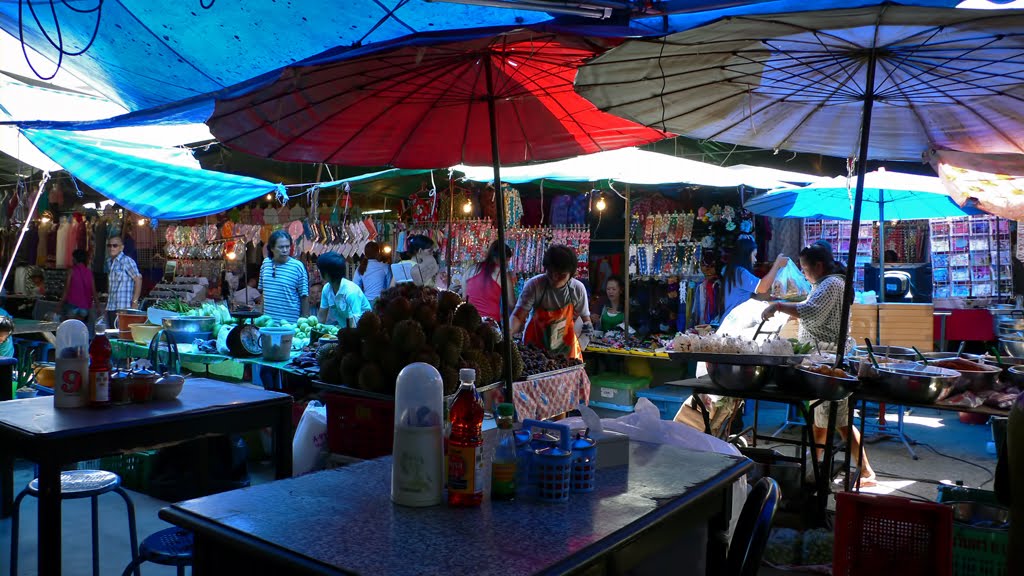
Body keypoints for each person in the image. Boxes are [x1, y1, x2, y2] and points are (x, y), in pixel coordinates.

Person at [761, 244, 876, 487]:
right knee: (828, 418)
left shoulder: (831, 284)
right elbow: (814, 310)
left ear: (819, 266)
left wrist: (779, 306)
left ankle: (830, 469)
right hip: (823, 358)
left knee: (833, 418)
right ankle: (818, 466)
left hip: (829, 359)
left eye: (804, 269)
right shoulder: (825, 284)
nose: (803, 274)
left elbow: (812, 310)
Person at [510, 244, 593, 361]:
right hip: (534, 352)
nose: (554, 278)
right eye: (551, 273)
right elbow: (518, 317)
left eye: (561, 275)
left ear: (572, 274)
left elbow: (587, 322)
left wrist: (583, 341)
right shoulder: (534, 285)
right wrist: (508, 332)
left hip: (566, 352)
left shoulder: (577, 289)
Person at [720, 237, 787, 321]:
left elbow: (757, 295)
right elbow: (763, 287)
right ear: (745, 255)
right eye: (754, 255)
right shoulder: (740, 272)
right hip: (733, 321)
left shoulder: (735, 271)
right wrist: (777, 264)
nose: (755, 260)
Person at [258, 229, 309, 323]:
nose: (285, 250)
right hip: (268, 324)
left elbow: (304, 296)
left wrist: (304, 323)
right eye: (281, 247)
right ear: (272, 248)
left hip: (290, 324)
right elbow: (263, 293)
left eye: (287, 246)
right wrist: (260, 316)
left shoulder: (297, 267)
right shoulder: (265, 264)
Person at [316, 252, 372, 328]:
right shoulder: (326, 289)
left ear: (327, 274)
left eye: (320, 270)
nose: (318, 272)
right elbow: (321, 318)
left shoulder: (350, 292)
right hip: (346, 330)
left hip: (363, 332)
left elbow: (355, 324)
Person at [463, 240, 515, 320]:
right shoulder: (501, 274)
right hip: (490, 325)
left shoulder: (471, 269)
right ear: (499, 258)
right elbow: (511, 304)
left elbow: (464, 297)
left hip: (470, 322)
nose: (507, 265)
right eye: (506, 261)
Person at [105, 234, 142, 329]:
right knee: (114, 334)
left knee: (122, 334)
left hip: (124, 306)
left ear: (121, 248)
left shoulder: (127, 261)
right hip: (112, 306)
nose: (111, 248)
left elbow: (138, 279)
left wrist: (134, 302)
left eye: (115, 245)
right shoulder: (109, 262)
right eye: (109, 245)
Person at [60, 249, 97, 323]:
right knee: (79, 328)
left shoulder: (71, 271)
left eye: (73, 258)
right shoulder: (89, 272)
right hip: (84, 307)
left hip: (72, 305)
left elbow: (66, 290)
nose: (72, 259)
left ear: (76, 259)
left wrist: (59, 305)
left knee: (69, 327)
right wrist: (98, 307)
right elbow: (94, 291)